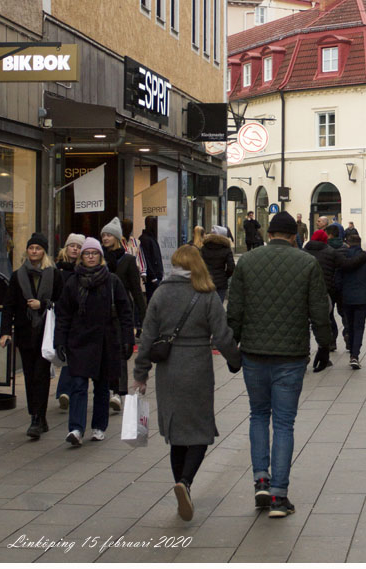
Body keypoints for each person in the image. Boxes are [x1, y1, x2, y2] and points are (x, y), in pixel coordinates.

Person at [227, 211, 332, 518]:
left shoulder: (247, 262)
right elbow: (319, 310)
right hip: (291, 355)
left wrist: (232, 346)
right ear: (293, 236)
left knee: (258, 415)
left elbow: (235, 310)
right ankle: (278, 496)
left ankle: (261, 479)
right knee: (284, 423)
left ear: (269, 234)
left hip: (254, 354)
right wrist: (324, 344)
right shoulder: (307, 263)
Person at [132, 245, 241, 522]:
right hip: (197, 367)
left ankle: (181, 485)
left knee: (177, 433)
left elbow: (147, 336)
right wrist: (235, 361)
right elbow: (222, 335)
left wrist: (141, 373)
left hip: (168, 370)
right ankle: (185, 482)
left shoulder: (161, 293)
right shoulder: (207, 293)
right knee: (201, 430)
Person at [54, 237, 134, 446]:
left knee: (101, 386)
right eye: (87, 254)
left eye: (94, 253)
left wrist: (127, 338)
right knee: (78, 385)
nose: (90, 257)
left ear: (100, 256)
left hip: (105, 341)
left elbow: (125, 312)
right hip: (79, 341)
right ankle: (76, 429)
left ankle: (99, 427)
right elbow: (63, 314)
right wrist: (59, 340)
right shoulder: (73, 282)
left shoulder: (111, 281)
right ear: (82, 257)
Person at [0, 233, 63, 439]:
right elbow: (9, 305)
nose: (34, 251)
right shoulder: (18, 276)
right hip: (25, 333)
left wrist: (42, 304)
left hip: (46, 333)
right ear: (27, 251)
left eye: (38, 248)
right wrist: (5, 332)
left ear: (44, 251)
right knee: (29, 376)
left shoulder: (54, 275)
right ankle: (37, 416)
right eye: (31, 248)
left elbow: (62, 303)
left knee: (41, 375)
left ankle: (37, 418)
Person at [100, 217, 146, 412]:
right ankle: (106, 389)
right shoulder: (98, 258)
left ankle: (117, 392)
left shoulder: (127, 260)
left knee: (119, 351)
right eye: (103, 235)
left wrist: (143, 317)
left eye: (109, 235)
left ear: (118, 238)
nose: (105, 238)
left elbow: (136, 290)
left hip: (120, 312)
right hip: (100, 312)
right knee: (104, 352)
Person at [303, 229, 366, 352]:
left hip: (308, 290)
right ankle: (333, 340)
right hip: (328, 290)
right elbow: (348, 264)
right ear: (325, 240)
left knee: (311, 320)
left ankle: (313, 347)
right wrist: (364, 255)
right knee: (330, 316)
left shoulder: (303, 252)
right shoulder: (330, 252)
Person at [335, 234, 366, 368]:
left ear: (347, 244)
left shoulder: (343, 259)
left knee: (350, 325)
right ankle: (355, 355)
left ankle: (351, 346)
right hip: (362, 299)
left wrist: (342, 292)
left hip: (347, 298)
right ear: (359, 243)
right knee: (359, 327)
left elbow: (337, 279)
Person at [55, 233, 85, 411]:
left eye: (78, 247)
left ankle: (65, 391)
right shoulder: (56, 268)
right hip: (60, 316)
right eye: (72, 245)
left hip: (78, 319)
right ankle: (65, 391)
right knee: (66, 353)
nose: (75, 249)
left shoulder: (83, 270)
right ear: (66, 248)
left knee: (72, 354)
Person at [200, 225, 235, 304]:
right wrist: (225, 275)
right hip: (221, 282)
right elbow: (231, 267)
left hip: (206, 280)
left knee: (206, 306)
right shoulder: (226, 249)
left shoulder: (204, 247)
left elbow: (199, 264)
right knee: (218, 306)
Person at [140, 216, 165, 302]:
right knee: (152, 299)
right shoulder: (145, 239)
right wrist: (153, 277)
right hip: (153, 277)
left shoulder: (151, 238)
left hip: (156, 275)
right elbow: (146, 259)